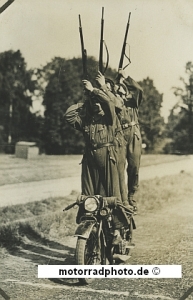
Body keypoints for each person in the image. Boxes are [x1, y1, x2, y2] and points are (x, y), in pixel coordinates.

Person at [65, 76, 129, 242]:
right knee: (87, 195)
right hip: (89, 159)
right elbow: (69, 116)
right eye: (94, 102)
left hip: (107, 156)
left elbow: (110, 103)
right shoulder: (87, 120)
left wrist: (96, 89)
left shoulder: (110, 117)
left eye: (97, 102)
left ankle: (116, 232)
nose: (96, 104)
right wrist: (87, 99)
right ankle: (90, 227)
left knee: (112, 195)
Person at [114, 69, 143, 211]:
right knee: (119, 168)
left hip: (133, 134)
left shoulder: (133, 101)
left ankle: (131, 195)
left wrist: (125, 78)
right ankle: (123, 198)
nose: (120, 92)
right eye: (117, 91)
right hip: (119, 136)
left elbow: (138, 89)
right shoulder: (114, 104)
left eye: (122, 89)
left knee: (134, 166)